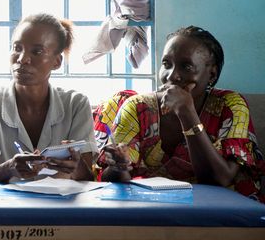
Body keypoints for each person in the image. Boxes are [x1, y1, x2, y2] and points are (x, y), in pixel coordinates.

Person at [99, 26, 265, 201]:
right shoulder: (137, 108)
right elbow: (111, 181)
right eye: (166, 64)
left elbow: (220, 179)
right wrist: (118, 167)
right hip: (152, 209)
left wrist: (187, 113)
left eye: (186, 66)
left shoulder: (230, 106)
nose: (172, 76)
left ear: (212, 74)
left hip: (220, 211)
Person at [0, 13, 97, 183]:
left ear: (57, 62)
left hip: (62, 200)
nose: (22, 59)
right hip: (7, 200)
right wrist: (10, 168)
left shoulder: (76, 104)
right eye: (17, 48)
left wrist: (77, 165)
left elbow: (88, 178)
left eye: (37, 51)